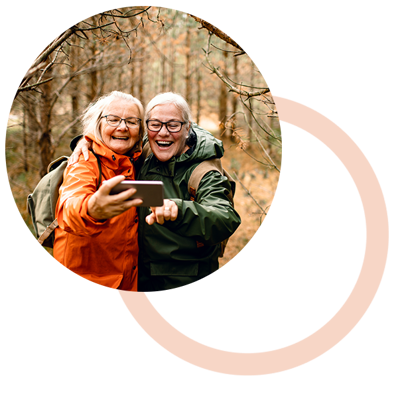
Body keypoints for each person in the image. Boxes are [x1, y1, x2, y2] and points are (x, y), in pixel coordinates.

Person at [70, 92, 241, 291]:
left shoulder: (203, 171)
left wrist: (179, 210)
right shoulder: (144, 153)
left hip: (185, 286)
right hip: (137, 280)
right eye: (155, 124)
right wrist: (86, 142)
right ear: (147, 127)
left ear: (187, 128)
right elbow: (112, 139)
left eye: (173, 125)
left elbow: (225, 217)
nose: (163, 132)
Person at [54, 91, 145, 291]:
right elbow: (70, 206)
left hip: (125, 282)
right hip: (83, 284)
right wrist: (92, 209)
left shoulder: (138, 160)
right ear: (98, 124)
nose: (122, 127)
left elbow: (178, 129)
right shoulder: (84, 161)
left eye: (131, 121)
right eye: (113, 119)